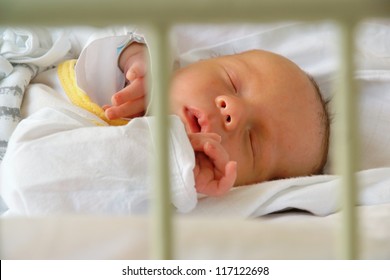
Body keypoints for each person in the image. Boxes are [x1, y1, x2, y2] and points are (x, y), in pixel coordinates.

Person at [103, 36, 330, 195]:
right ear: (201, 62)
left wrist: (181, 178)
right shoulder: (146, 50)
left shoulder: (180, 193)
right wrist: (130, 51)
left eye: (252, 142)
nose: (234, 111)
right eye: (232, 83)